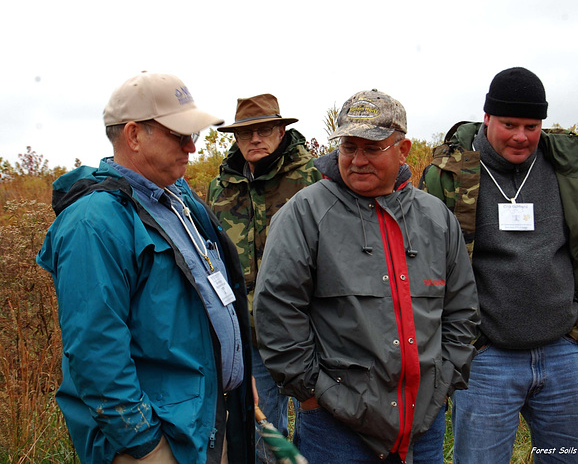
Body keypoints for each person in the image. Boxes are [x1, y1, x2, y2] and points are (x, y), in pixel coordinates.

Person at [37, 72, 254, 463]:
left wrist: (236, 373)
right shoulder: (94, 222)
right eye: (179, 134)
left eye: (194, 135)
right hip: (161, 441)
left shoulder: (176, 200)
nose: (191, 146)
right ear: (135, 135)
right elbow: (95, 350)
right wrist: (146, 445)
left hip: (205, 423)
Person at [253, 89, 480, 463]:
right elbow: (277, 313)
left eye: (372, 148)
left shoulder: (436, 217)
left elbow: (462, 309)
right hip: (335, 429)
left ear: (403, 149)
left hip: (422, 426)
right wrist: (314, 395)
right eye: (348, 147)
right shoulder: (305, 214)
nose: (357, 160)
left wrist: (442, 384)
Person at [419, 67, 578, 463]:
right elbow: (427, 270)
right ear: (487, 117)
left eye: (532, 125)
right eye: (509, 124)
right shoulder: (449, 177)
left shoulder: (567, 168)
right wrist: (467, 346)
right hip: (486, 359)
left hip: (563, 352)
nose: (521, 136)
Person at [207, 94, 321, 462]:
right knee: (264, 434)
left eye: (264, 130)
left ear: (281, 130)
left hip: (309, 331)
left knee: (318, 426)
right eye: (245, 132)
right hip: (248, 333)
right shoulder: (221, 188)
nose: (255, 139)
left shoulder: (313, 178)